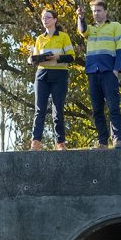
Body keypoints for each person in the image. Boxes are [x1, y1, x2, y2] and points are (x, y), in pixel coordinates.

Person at [76, 0, 121, 149]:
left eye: (98, 10)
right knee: (97, 109)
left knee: (113, 106)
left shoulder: (115, 26)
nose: (96, 14)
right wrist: (80, 17)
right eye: (93, 11)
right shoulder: (91, 29)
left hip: (109, 71)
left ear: (106, 11)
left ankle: (117, 139)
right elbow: (82, 30)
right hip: (93, 71)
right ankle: (103, 142)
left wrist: (117, 69)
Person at [28, 8, 76, 150]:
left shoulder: (63, 36)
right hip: (42, 74)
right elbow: (35, 58)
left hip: (59, 75)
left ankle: (60, 142)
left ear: (55, 19)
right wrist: (31, 59)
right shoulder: (39, 38)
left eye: (48, 17)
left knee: (58, 109)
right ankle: (36, 142)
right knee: (39, 109)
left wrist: (57, 57)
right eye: (43, 18)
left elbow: (71, 56)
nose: (45, 20)